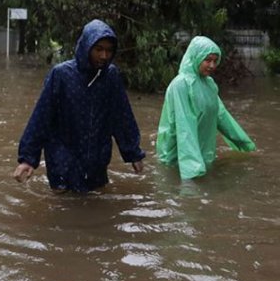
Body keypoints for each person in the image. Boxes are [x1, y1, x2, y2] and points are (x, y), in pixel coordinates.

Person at [14, 19, 145, 193]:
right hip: (62, 159)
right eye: (99, 50)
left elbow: (122, 116)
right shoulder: (61, 75)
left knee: (96, 203)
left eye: (108, 51)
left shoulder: (111, 77)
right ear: (86, 47)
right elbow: (41, 117)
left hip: (97, 160)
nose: (104, 56)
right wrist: (28, 159)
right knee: (63, 205)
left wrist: (133, 153)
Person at [156, 36, 256, 181]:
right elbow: (185, 126)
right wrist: (192, 170)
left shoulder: (209, 84)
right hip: (176, 159)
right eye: (207, 60)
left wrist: (246, 144)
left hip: (201, 154)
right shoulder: (181, 85)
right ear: (196, 57)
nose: (212, 65)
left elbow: (221, 116)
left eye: (215, 61)